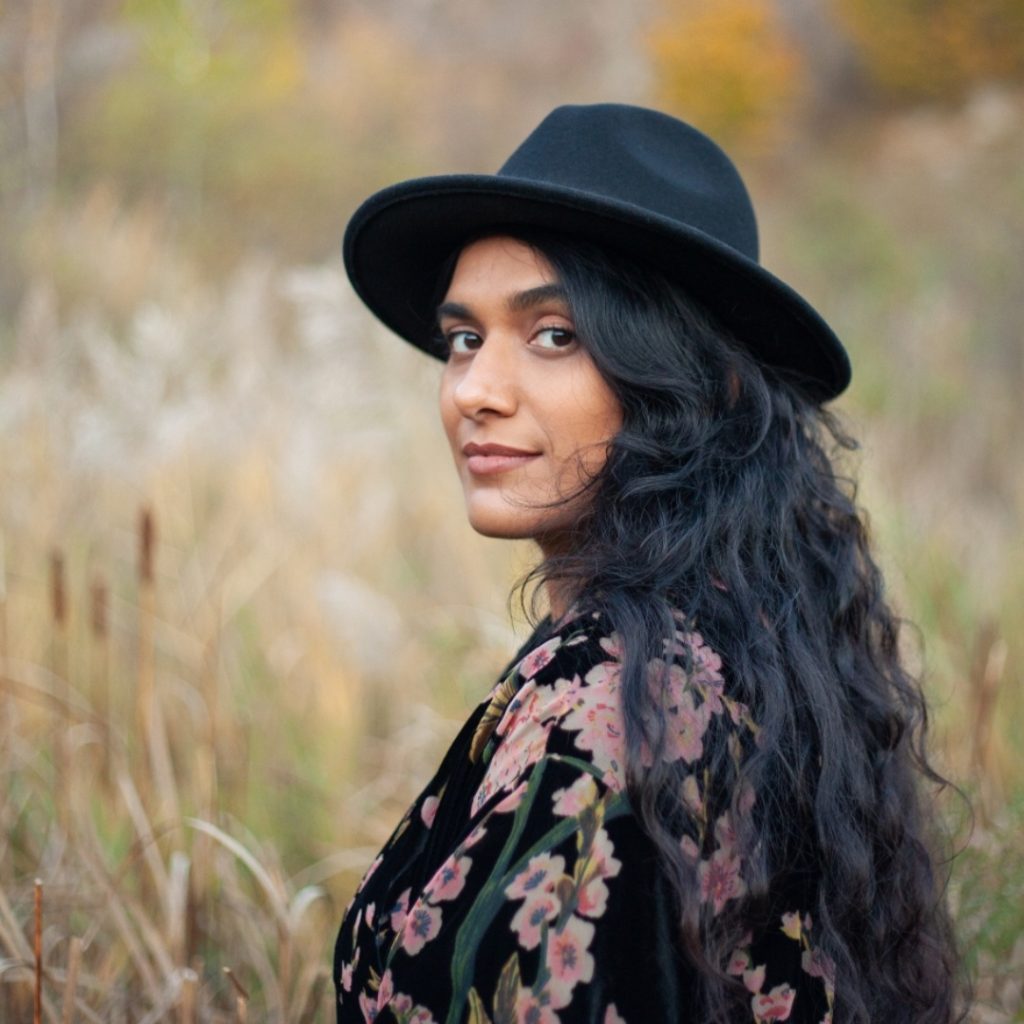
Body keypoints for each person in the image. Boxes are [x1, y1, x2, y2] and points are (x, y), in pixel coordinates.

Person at [334, 104, 960, 1024]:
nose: (474, 390)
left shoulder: (619, 702)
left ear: (704, 386)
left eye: (555, 335)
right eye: (464, 338)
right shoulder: (732, 641)